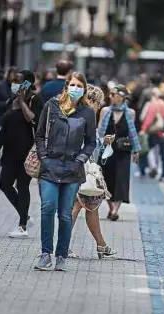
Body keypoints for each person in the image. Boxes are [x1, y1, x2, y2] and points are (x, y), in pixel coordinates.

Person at [34, 72, 97, 271]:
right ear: (66, 86)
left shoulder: (87, 112)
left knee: (65, 215)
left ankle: (61, 255)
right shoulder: (52, 105)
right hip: (50, 167)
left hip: (72, 170)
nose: (76, 88)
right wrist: (44, 157)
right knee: (47, 208)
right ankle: (45, 254)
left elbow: (91, 142)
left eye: (80, 85)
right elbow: (39, 134)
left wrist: (79, 160)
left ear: (84, 89)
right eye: (73, 85)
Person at [0, 70, 43, 238]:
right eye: (13, 79)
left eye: (18, 80)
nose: (14, 82)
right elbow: (4, 129)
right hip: (9, 153)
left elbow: (34, 120)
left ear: (27, 83)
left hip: (26, 153)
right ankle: (25, 215)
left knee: (22, 187)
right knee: (4, 184)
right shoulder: (10, 101)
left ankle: (23, 226)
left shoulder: (35, 99)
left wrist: (22, 102)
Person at [69, 84, 117, 259]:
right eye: (98, 103)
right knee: (77, 207)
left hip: (85, 172)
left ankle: (101, 245)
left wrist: (104, 143)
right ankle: (63, 244)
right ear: (92, 101)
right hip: (83, 172)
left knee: (91, 207)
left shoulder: (83, 118)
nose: (99, 107)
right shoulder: (83, 119)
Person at [99, 85, 141, 221]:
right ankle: (111, 208)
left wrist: (136, 151)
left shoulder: (131, 113)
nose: (110, 97)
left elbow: (132, 133)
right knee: (106, 180)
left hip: (123, 151)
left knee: (122, 181)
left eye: (113, 94)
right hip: (106, 150)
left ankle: (116, 210)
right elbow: (99, 131)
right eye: (110, 94)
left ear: (121, 97)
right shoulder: (105, 111)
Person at [138, 87, 164, 180]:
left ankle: (143, 171)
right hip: (163, 133)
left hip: (153, 132)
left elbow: (148, 118)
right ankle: (163, 174)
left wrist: (143, 129)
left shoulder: (152, 104)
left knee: (144, 151)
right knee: (163, 154)